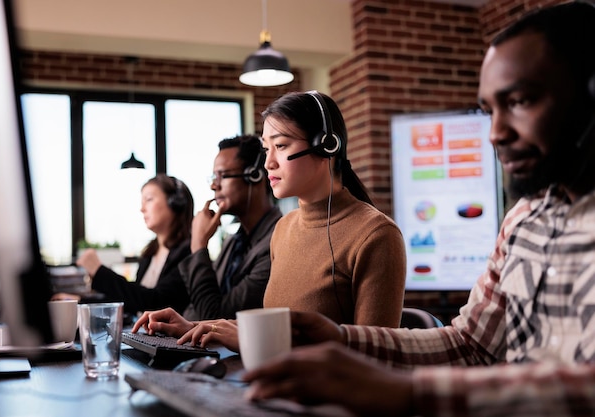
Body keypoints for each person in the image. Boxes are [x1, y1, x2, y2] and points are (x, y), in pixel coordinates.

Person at [240, 3, 595, 416]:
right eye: (488, 111)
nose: (495, 134)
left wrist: (407, 393)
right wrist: (341, 340)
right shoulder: (524, 221)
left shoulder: (374, 233)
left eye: (519, 101)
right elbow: (471, 343)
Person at [133, 91, 407, 349]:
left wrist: (251, 342)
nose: (268, 163)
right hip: (269, 383)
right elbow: (275, 329)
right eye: (267, 149)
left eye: (281, 145)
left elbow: (374, 356)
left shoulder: (377, 235)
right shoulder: (284, 228)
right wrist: (196, 326)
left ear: (326, 145)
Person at [52, 174, 194, 318]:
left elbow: (156, 302)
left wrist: (99, 271)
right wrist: (80, 301)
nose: (142, 209)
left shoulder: (188, 252)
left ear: (175, 203)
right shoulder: (151, 253)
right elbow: (132, 301)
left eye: (149, 200)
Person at [178, 134, 283, 320]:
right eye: (213, 177)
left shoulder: (278, 242)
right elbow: (198, 306)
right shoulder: (233, 242)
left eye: (223, 176)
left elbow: (214, 316)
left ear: (255, 175)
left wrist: (198, 245)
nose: (213, 186)